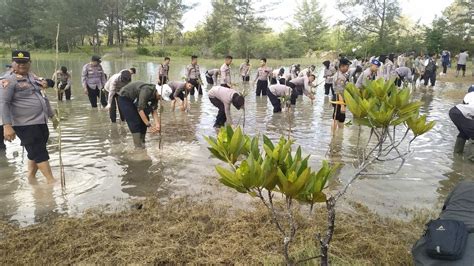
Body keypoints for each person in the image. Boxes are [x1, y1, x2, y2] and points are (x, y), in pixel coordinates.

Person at [1, 51, 56, 183]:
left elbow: (42, 95)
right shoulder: (8, 80)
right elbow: (3, 103)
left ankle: (31, 178)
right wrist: (7, 126)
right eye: (18, 62)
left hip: (40, 120)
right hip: (25, 124)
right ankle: (52, 182)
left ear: (29, 63)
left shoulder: (32, 77)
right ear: (13, 63)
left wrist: (52, 115)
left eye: (24, 62)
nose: (21, 65)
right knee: (39, 152)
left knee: (34, 151)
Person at [117, 81, 162, 148]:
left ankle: (142, 142)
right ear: (158, 93)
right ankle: (138, 146)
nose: (161, 99)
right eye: (160, 97)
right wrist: (149, 125)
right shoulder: (146, 91)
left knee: (145, 119)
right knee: (135, 121)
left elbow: (154, 110)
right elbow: (140, 109)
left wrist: (157, 124)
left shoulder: (156, 96)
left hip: (136, 100)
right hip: (125, 98)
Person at [449, 85, 474, 154]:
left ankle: (457, 154)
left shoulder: (468, 95)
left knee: (464, 132)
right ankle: (471, 159)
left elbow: (466, 106)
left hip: (454, 111)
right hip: (461, 113)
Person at [332, 58, 352, 132]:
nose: (348, 68)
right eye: (347, 66)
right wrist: (342, 105)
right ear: (342, 66)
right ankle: (333, 136)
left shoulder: (343, 75)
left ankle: (340, 135)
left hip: (342, 98)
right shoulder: (339, 76)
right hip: (338, 98)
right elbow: (338, 91)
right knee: (336, 117)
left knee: (341, 118)